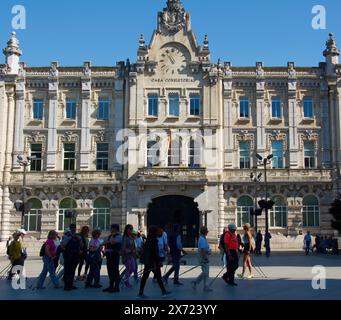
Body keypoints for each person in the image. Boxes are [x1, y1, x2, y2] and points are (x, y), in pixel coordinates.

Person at [137, 225, 171, 299]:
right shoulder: (154, 241)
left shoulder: (148, 240)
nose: (159, 232)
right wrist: (158, 261)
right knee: (156, 277)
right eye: (157, 231)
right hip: (153, 262)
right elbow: (155, 253)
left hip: (149, 262)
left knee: (151, 277)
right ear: (154, 232)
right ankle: (162, 291)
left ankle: (163, 291)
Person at [61, 224, 83, 291]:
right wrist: (70, 237)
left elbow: (81, 245)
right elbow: (62, 245)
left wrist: (79, 240)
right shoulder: (66, 236)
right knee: (67, 271)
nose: (73, 229)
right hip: (68, 255)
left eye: (74, 228)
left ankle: (71, 284)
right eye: (72, 228)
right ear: (70, 229)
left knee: (72, 271)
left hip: (75, 255)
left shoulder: (77, 236)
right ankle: (66, 285)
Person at [191, 226, 213, 292]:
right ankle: (197, 283)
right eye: (207, 231)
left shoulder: (203, 238)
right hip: (203, 258)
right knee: (205, 272)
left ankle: (204, 285)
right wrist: (205, 258)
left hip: (204, 256)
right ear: (205, 232)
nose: (207, 232)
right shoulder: (202, 239)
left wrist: (208, 252)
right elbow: (203, 250)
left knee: (206, 272)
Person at [103, 224, 122, 293]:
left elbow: (113, 242)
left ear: (115, 229)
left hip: (114, 255)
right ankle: (111, 286)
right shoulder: (109, 236)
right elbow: (104, 242)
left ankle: (116, 287)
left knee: (115, 271)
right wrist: (109, 241)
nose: (110, 229)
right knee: (110, 271)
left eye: (112, 228)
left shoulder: (119, 236)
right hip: (109, 255)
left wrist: (109, 241)